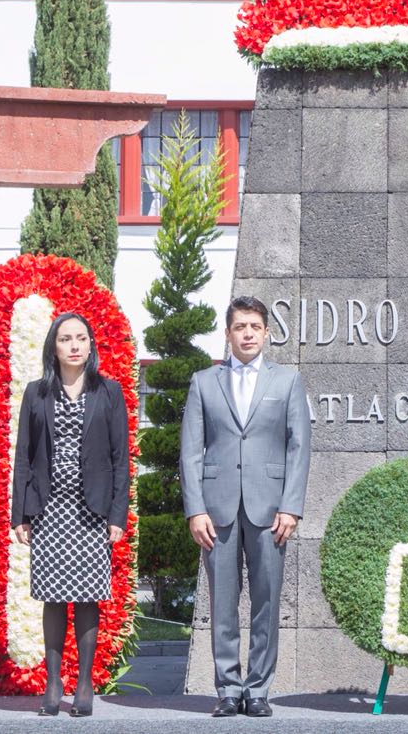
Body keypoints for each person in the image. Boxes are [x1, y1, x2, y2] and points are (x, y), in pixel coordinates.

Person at [181, 296, 310, 718]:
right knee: (222, 602)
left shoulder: (287, 381)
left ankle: (258, 689)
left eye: (255, 326)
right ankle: (228, 689)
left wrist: (291, 506)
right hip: (215, 509)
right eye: (241, 327)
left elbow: (299, 447)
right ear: (228, 333)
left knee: (266, 601)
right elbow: (191, 452)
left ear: (267, 333)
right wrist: (194, 509)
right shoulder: (204, 382)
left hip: (270, 509)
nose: (248, 333)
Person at [11, 313, 130, 717]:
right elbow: (23, 458)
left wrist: (118, 515)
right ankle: (53, 681)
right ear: (54, 346)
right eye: (66, 339)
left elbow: (120, 458)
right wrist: (19, 515)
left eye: (81, 338)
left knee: (87, 597)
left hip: (91, 511)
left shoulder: (108, 392)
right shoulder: (37, 393)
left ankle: (83, 682)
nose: (75, 345)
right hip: (49, 509)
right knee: (53, 598)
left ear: (91, 345)